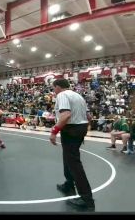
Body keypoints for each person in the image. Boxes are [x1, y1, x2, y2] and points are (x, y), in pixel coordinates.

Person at [49, 79, 94, 211]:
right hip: (80, 127)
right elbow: (89, 116)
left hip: (71, 129)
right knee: (68, 157)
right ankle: (69, 183)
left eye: (54, 88)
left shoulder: (62, 95)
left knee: (74, 162)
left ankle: (86, 198)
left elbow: (66, 115)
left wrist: (54, 131)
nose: (54, 91)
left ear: (57, 87)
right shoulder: (78, 95)